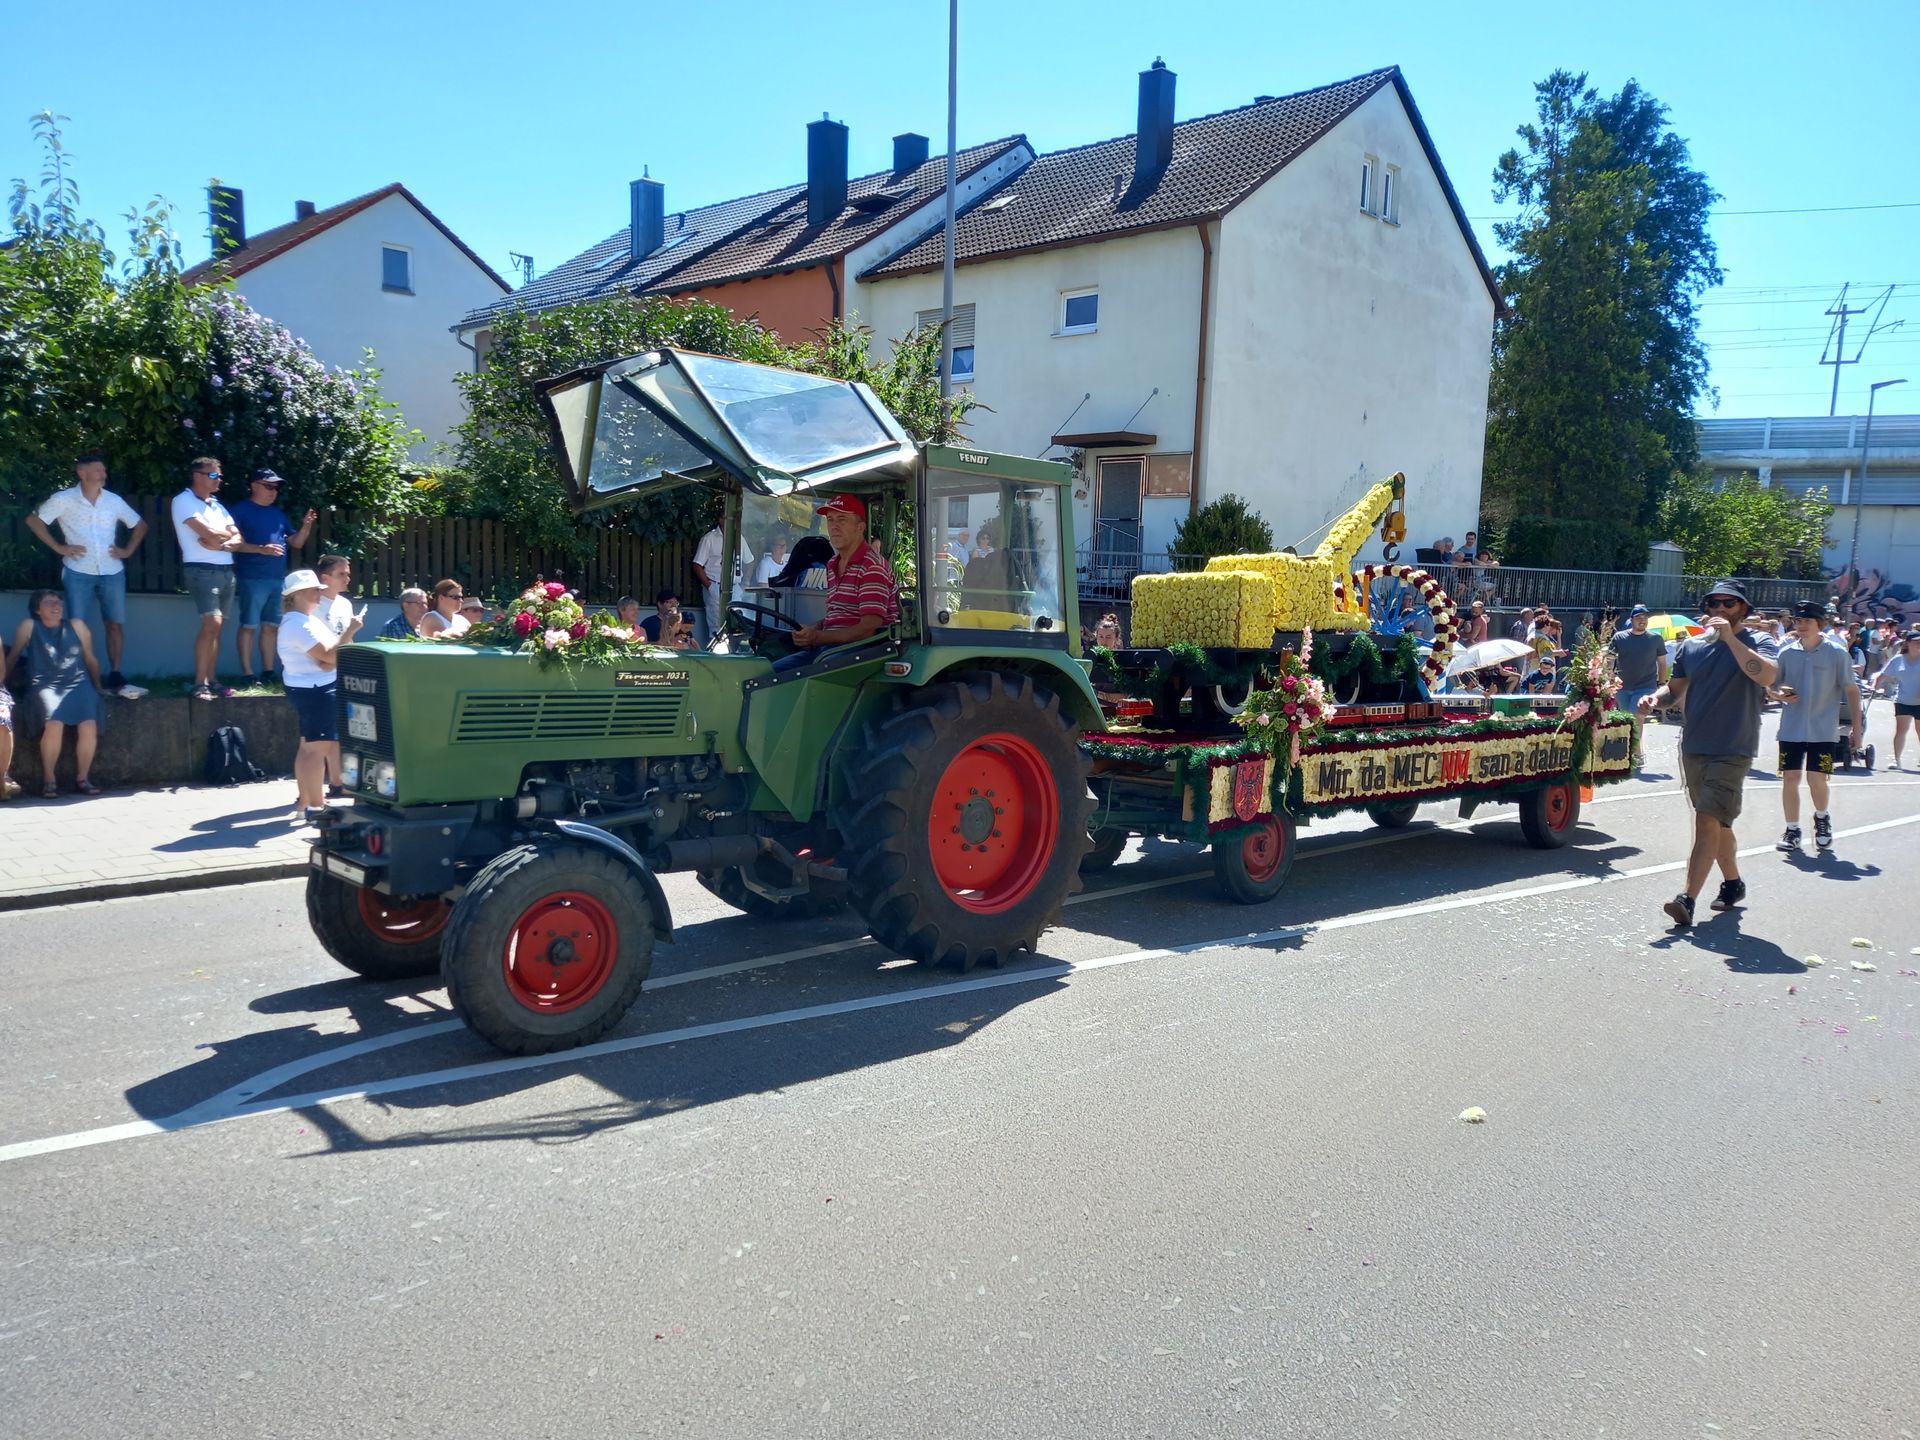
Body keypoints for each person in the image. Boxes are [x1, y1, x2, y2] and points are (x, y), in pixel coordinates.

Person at [1637, 580, 1780, 928]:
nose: (1719, 610)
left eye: (1728, 604)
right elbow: (1675, 689)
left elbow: (1767, 676)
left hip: (1733, 746)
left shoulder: (1757, 642)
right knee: (1718, 822)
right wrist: (1655, 699)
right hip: (1695, 745)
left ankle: (1687, 899)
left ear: (1743, 609)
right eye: (1714, 604)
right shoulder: (1692, 646)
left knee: (1706, 819)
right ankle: (1733, 883)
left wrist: (1730, 639)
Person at [27, 453, 147, 693]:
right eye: (98, 471)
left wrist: (128, 550)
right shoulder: (63, 499)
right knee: (74, 624)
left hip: (112, 570)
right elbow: (33, 521)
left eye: (104, 470)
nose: (103, 475)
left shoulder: (113, 500)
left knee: (115, 623)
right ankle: (77, 675)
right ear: (82, 473)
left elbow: (140, 525)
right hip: (78, 570)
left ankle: (115, 674)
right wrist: (59, 547)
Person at [1769, 600, 1862, 854]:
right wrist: (1778, 694)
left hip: (1823, 730)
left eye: (1807, 621)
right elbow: (1772, 686)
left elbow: (1852, 690)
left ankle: (1822, 819)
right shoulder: (1786, 652)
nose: (1801, 626)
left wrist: (1857, 728)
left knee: (1816, 779)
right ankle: (1792, 829)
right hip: (1791, 728)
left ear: (1819, 624)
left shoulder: (1836, 653)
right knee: (1790, 777)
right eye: (1798, 621)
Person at [278, 568, 364, 820]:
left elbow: (328, 659)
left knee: (308, 747)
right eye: (316, 589)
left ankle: (305, 804)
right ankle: (316, 807)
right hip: (316, 690)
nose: (320, 593)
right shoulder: (298, 624)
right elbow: (329, 656)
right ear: (300, 593)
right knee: (316, 749)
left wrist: (333, 654)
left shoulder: (306, 620)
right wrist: (350, 631)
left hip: (314, 687)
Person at [777, 494, 898, 670]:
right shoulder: (833, 564)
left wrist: (818, 637)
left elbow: (868, 629)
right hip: (834, 647)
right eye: (830, 520)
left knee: (792, 677)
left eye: (842, 519)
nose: (834, 526)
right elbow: (839, 614)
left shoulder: (871, 566)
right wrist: (812, 630)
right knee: (769, 668)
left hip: (863, 650)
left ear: (860, 527)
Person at [9, 589, 107, 797]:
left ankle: (83, 778)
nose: (56, 606)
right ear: (37, 609)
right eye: (49, 602)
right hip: (44, 683)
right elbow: (13, 656)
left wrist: (97, 686)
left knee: (88, 724)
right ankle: (49, 779)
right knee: (54, 722)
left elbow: (90, 658)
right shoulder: (29, 626)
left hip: (77, 682)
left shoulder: (77, 626)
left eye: (59, 602)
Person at [228, 467, 318, 685]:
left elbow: (296, 543)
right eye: (269, 486)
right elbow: (232, 545)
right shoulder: (240, 510)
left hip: (276, 579)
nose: (273, 491)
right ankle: (248, 675)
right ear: (254, 485)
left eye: (276, 487)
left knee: (271, 627)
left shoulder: (278, 514)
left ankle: (268, 672)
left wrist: (306, 527)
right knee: (249, 626)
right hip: (251, 577)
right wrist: (262, 549)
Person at [170, 457, 241, 700]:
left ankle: (212, 680)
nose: (219, 480)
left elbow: (238, 538)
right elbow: (207, 533)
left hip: (225, 570)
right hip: (201, 569)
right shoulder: (183, 501)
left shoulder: (218, 506)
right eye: (213, 476)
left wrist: (222, 544)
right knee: (213, 624)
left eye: (219, 476)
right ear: (197, 476)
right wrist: (226, 538)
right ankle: (199, 684)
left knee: (217, 630)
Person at [1867, 628, 1920, 770]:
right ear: (1907, 643)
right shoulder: (1898, 660)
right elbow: (1882, 675)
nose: (1919, 644)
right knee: (1901, 730)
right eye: (1916, 642)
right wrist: (1873, 686)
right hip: (1902, 699)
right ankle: (1896, 760)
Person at [692, 522, 753, 640]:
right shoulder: (709, 538)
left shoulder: (739, 538)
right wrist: (709, 586)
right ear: (720, 519)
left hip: (735, 586)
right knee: (716, 624)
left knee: (737, 622)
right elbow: (697, 564)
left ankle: (734, 653)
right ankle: (716, 654)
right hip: (715, 585)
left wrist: (745, 583)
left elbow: (749, 561)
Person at [1609, 605, 1668, 716]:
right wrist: (1611, 678)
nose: (1642, 621)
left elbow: (1662, 663)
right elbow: (1610, 660)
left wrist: (1661, 683)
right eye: (1638, 618)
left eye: (1645, 618)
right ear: (1631, 620)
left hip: (1646, 686)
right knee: (1626, 719)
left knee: (1636, 716)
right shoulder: (1619, 637)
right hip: (1622, 687)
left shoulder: (1656, 638)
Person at [314, 555, 355, 638]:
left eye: (348, 574)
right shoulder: (312, 605)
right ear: (325, 578)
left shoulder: (345, 604)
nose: (347, 579)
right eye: (342, 574)